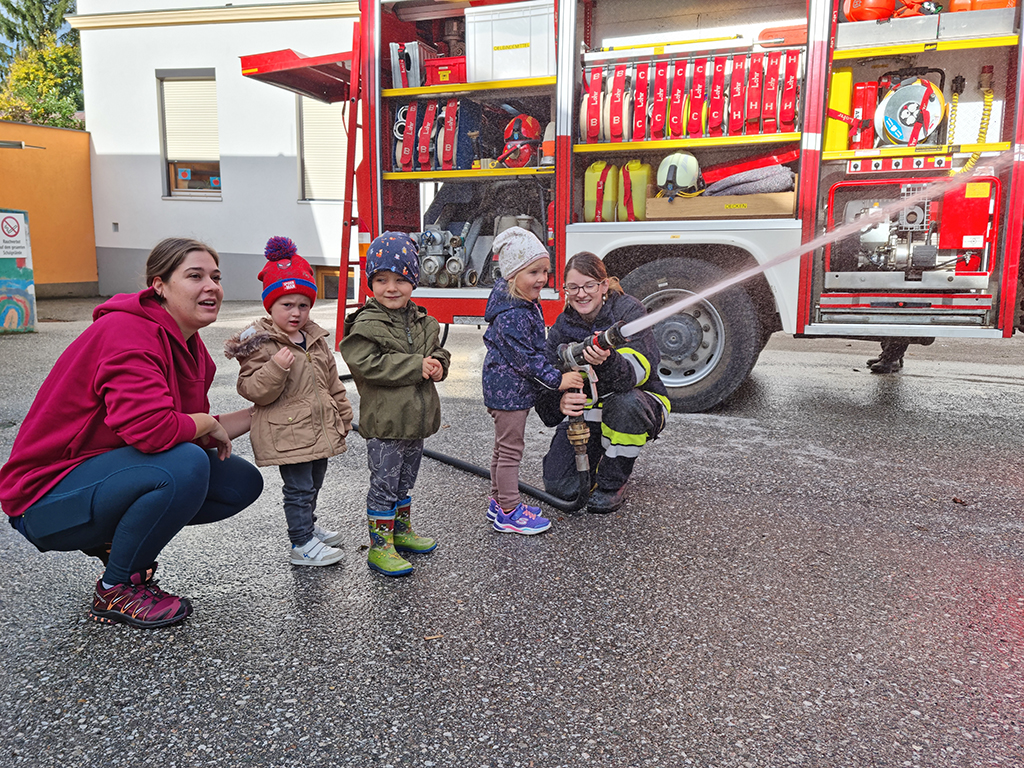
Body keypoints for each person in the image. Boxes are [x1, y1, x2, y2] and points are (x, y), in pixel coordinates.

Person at [0, 237, 263, 629]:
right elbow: (155, 432)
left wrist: (272, 413)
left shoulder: (190, 348)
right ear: (158, 285)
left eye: (216, 276)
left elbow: (188, 430)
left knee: (239, 481)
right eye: (195, 276)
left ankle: (116, 546)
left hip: (98, 478)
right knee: (185, 465)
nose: (212, 286)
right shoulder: (127, 331)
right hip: (42, 498)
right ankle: (116, 588)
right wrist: (205, 423)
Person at [225, 236, 353, 567]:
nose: (296, 313)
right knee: (297, 490)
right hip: (288, 433)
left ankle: (308, 528)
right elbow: (252, 390)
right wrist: (276, 368)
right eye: (287, 305)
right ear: (270, 305)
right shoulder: (260, 343)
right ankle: (301, 544)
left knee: (313, 484)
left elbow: (331, 380)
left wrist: (343, 413)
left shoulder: (315, 338)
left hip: (318, 429)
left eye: (303, 305)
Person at [340, 232, 451, 577]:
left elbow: (437, 350)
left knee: (405, 481)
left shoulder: (425, 322)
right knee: (384, 484)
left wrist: (438, 363)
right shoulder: (365, 324)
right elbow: (367, 364)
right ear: (370, 281)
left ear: (414, 281)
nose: (392, 287)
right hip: (386, 422)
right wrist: (415, 366)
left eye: (401, 279)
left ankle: (400, 532)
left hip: (415, 420)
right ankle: (380, 546)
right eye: (382, 279)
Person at [536, 252, 670, 513]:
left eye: (589, 285)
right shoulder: (562, 325)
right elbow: (545, 389)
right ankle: (599, 456)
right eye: (573, 287)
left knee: (625, 404)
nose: (581, 294)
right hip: (590, 413)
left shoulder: (628, 311)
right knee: (561, 487)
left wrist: (608, 362)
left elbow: (638, 372)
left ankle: (612, 483)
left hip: (639, 404)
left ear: (604, 285)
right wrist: (560, 399)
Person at [482, 227, 583, 534]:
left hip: (508, 391)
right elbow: (527, 359)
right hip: (508, 393)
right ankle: (510, 511)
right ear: (512, 274)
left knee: (503, 448)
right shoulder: (513, 314)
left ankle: (499, 502)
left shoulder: (520, 303)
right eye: (534, 271)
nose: (542, 278)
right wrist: (558, 379)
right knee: (511, 449)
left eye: (545, 271)